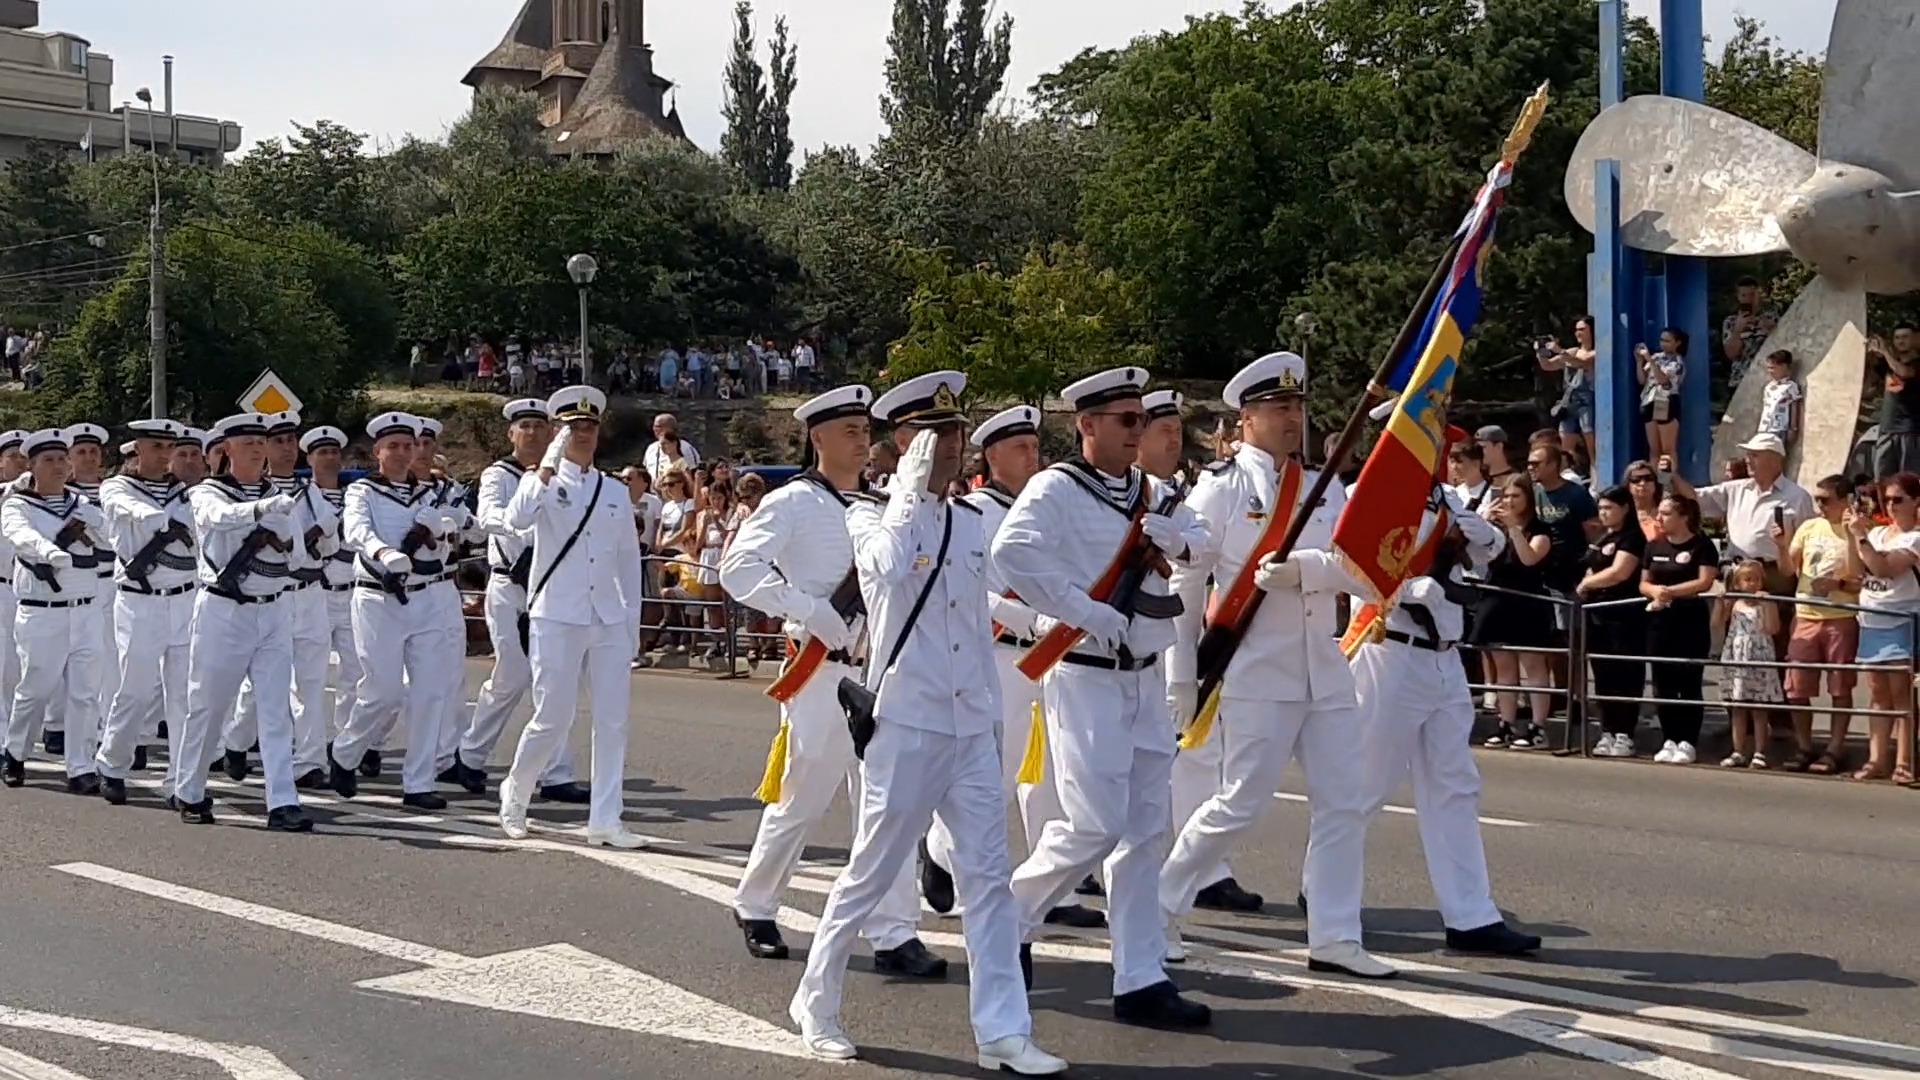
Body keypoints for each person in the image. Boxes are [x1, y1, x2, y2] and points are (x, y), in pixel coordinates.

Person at [790, 373, 1067, 1074]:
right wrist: (908, 491)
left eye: (955, 433)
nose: (952, 446)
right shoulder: (867, 514)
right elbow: (883, 571)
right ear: (904, 443)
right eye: (936, 436)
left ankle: (1004, 1030)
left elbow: (976, 616)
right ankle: (815, 1001)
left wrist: (1002, 694)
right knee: (871, 870)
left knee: (988, 880)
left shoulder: (970, 520)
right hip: (907, 722)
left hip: (969, 723)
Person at [996, 365, 1215, 1027]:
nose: (1136, 432)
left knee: (1147, 830)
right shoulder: (1056, 488)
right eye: (1125, 421)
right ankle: (1008, 920)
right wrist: (1077, 611)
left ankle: (1140, 975)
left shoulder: (1154, 492)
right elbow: (1012, 555)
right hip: (1086, 673)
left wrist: (1181, 540)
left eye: (1140, 420)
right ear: (1086, 426)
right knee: (1095, 824)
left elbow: (1204, 544)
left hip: (1143, 674)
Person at [1159, 352, 1386, 977]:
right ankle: (1157, 906)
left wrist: (1306, 571)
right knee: (1240, 802)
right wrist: (1183, 674)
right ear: (1248, 418)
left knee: (1344, 802)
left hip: (1324, 665)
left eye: (1298, 408)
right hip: (1258, 670)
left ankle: (1335, 935)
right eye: (1280, 409)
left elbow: (1363, 568)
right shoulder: (1221, 488)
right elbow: (1186, 583)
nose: (1293, 419)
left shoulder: (1323, 484)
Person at [717, 384, 938, 975]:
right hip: (820, 672)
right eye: (850, 431)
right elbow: (736, 568)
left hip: (879, 672)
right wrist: (805, 606)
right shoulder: (793, 503)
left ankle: (894, 931)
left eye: (866, 430)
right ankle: (756, 902)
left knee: (884, 804)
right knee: (803, 799)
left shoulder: (882, 503)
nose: (863, 440)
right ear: (818, 439)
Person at [1346, 436, 1542, 958]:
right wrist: (1406, 590)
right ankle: (1326, 895)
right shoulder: (1365, 497)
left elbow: (1492, 553)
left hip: (1444, 655)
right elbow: (1348, 568)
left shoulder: (1447, 499)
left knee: (1455, 787)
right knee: (1365, 784)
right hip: (1392, 651)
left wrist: (1485, 536)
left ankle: (1471, 916)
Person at [920, 405, 1102, 929]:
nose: (1032, 456)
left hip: (1056, 656)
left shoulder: (1050, 506)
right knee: (993, 779)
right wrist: (1033, 619)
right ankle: (943, 854)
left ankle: (1052, 890)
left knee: (1049, 775)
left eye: (1035, 446)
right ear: (992, 455)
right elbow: (976, 593)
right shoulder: (975, 513)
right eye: (1020, 448)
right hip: (1002, 658)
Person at [497, 386, 647, 847]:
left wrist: (632, 626)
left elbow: (627, 561)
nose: (582, 434)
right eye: (572, 427)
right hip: (557, 614)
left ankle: (606, 819)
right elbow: (517, 520)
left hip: (606, 616)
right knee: (554, 716)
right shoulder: (541, 483)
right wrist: (545, 464)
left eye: (589, 426)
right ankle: (516, 793)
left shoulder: (614, 491)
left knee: (613, 720)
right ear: (558, 433)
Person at [171, 414, 310, 829]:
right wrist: (262, 510)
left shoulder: (280, 495)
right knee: (209, 707)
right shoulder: (206, 492)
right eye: (245, 440)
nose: (254, 447)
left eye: (259, 441)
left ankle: (282, 801)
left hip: (273, 608)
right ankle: (190, 789)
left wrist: (284, 533)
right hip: (223, 611)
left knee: (274, 708)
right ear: (226, 449)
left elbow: (299, 557)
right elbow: (217, 519)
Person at [327, 413, 468, 809]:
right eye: (395, 446)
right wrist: (384, 552)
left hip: (425, 599)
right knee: (383, 692)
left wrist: (444, 530)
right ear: (378, 452)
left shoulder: (429, 494)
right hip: (378, 598)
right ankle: (345, 751)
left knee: (429, 693)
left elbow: (450, 539)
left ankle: (419, 782)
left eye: (409, 446)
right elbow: (354, 531)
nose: (403, 453)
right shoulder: (364, 492)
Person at [456, 399, 586, 799]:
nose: (531, 432)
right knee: (512, 676)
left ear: (551, 433)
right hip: (510, 585)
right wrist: (524, 528)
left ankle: (557, 772)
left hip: (551, 588)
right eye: (523, 426)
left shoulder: (567, 475)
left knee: (555, 679)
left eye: (538, 425)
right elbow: (489, 517)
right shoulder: (499, 474)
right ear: (511, 434)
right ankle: (470, 755)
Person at [94, 419, 198, 804]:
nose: (164, 454)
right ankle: (113, 762)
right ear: (138, 449)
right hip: (141, 601)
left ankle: (180, 782)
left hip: (185, 600)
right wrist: (160, 519)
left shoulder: (185, 493)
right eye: (156, 446)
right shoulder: (117, 486)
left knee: (184, 697)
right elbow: (126, 507)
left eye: (168, 447)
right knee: (135, 692)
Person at [0, 429, 106, 791]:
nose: (59, 467)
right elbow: (19, 534)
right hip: (42, 612)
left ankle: (80, 766)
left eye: (63, 459)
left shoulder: (82, 505)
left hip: (85, 610)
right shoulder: (19, 504)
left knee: (84, 693)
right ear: (32, 467)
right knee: (35, 689)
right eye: (49, 461)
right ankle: (15, 753)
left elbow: (109, 535)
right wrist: (49, 552)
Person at [1639, 493, 1721, 765]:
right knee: (1663, 683)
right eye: (1659, 513)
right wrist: (1655, 591)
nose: (1659, 518)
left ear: (1683, 516)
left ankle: (1688, 740)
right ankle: (1669, 738)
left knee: (1688, 682)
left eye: (1665, 513)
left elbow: (1704, 582)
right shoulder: (1654, 546)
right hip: (1659, 622)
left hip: (1690, 621)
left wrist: (1669, 592)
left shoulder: (1702, 545)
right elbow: (1644, 583)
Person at [300, 426, 362, 784]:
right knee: (310, 676)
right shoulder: (300, 498)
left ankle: (345, 746)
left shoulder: (356, 495)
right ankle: (309, 751)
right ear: (309, 460)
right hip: (316, 593)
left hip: (352, 592)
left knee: (357, 673)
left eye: (334, 452)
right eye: (321, 453)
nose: (329, 458)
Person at [1579, 486, 1649, 757]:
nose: (1604, 513)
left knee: (1626, 674)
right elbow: (1591, 564)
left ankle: (1625, 732)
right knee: (1603, 675)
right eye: (1601, 508)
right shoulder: (1603, 536)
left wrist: (1587, 583)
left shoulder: (1632, 538)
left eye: (1609, 508)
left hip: (1623, 615)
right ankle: (1607, 729)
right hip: (1598, 614)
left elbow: (1620, 572)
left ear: (1625, 508)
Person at [1716, 559, 1784, 768]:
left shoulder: (1765, 602)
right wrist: (1721, 603)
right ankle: (1738, 751)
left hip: (1759, 655)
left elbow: (1773, 628)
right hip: (1737, 655)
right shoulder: (1736, 603)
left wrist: (1768, 605)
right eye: (1747, 580)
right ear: (1738, 583)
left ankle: (1760, 751)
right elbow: (1717, 623)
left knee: (1759, 707)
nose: (1753, 584)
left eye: (1757, 580)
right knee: (1738, 707)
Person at [0, 431, 25, 750]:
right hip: (2, 589)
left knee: (20, 673)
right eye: (14, 456)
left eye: (24, 456)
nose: (21, 463)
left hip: (33, 595)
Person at [645, 413, 700, 481]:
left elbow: (693, 475)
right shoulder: (650, 449)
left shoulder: (686, 448)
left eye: (658, 426)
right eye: (654, 426)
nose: (654, 429)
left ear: (670, 428)